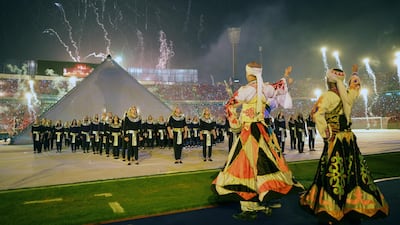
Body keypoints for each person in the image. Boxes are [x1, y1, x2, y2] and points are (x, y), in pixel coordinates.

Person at [212, 61, 304, 221]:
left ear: (249, 74)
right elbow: (280, 86)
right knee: (268, 162)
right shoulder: (266, 88)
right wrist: (286, 76)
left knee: (245, 166)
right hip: (263, 130)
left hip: (249, 131)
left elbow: (229, 106)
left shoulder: (245, 90)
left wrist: (236, 126)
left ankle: (250, 206)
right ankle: (269, 198)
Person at [299, 65, 389, 224]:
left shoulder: (327, 96)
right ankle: (353, 205)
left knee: (333, 172)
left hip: (336, 140)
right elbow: (355, 87)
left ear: (328, 81)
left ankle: (332, 207)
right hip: (349, 139)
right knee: (353, 172)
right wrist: (354, 73)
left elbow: (316, 114)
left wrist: (326, 132)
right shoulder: (347, 95)